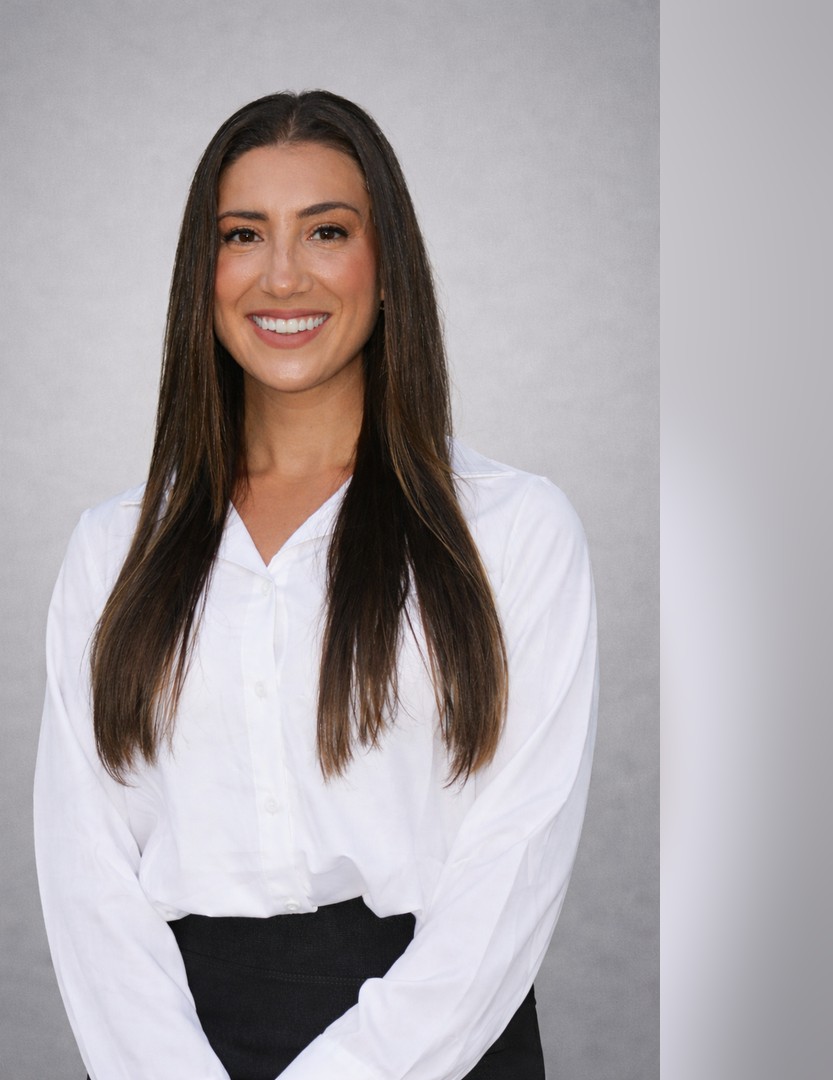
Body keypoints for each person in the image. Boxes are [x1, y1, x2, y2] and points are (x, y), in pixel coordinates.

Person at [34, 90, 597, 1080]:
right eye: (243, 235)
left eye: (326, 231)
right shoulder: (113, 548)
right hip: (181, 1044)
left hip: (443, 1044)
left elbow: (512, 861)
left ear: (387, 271)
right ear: (201, 278)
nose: (281, 274)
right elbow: (89, 876)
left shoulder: (510, 532)